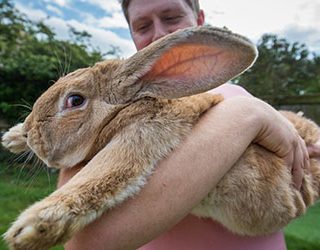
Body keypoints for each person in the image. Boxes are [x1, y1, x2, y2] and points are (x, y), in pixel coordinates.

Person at [58, 0, 320, 249]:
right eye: (143, 26)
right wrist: (246, 116)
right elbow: (82, 242)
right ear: (131, 33)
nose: (160, 34)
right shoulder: (106, 110)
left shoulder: (243, 97)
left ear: (200, 20)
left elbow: (291, 166)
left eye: (172, 18)